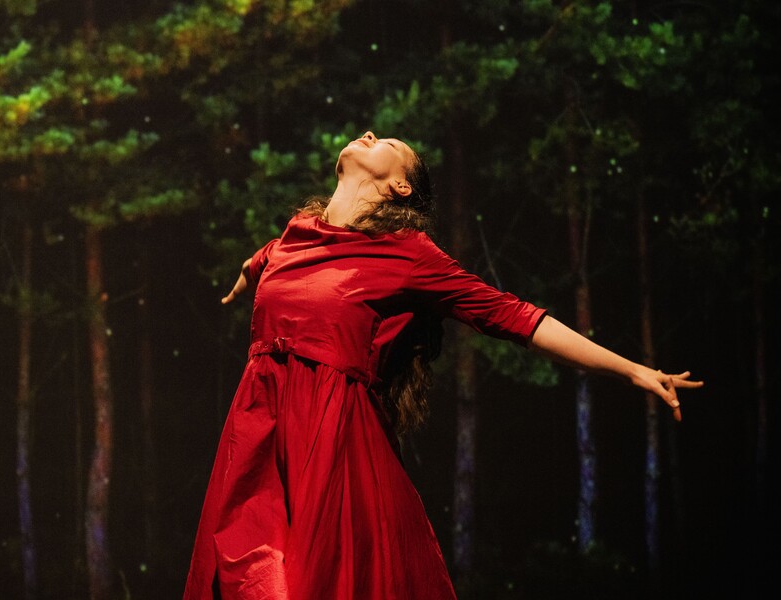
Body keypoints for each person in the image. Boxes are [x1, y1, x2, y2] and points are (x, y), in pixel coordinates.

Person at [182, 131, 702, 599]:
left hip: (333, 444)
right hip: (259, 439)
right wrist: (247, 274)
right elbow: (262, 260)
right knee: (248, 575)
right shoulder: (291, 238)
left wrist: (631, 369)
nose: (370, 133)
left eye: (389, 143)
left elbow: (513, 316)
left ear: (400, 187)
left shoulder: (407, 253)